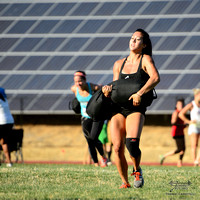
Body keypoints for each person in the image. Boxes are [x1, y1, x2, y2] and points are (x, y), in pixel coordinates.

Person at [102, 29, 160, 188]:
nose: (133, 41)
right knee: (117, 147)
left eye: (138, 39)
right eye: (132, 38)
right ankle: (125, 182)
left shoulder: (145, 59)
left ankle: (136, 169)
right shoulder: (118, 64)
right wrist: (107, 92)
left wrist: (139, 93)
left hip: (135, 108)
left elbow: (155, 78)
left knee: (132, 144)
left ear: (144, 44)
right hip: (118, 109)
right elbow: (115, 87)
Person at [71, 71, 107, 167]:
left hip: (96, 116)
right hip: (85, 117)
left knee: (94, 138)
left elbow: (103, 89)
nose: (78, 84)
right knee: (89, 141)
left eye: (80, 81)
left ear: (85, 80)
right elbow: (77, 101)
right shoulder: (74, 89)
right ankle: (96, 163)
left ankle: (103, 157)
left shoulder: (92, 87)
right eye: (76, 82)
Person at [160, 98, 186, 167]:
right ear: (176, 105)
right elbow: (173, 122)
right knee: (179, 149)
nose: (181, 106)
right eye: (180, 104)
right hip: (176, 132)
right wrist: (183, 125)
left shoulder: (182, 113)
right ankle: (164, 156)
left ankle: (179, 162)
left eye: (182, 104)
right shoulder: (176, 112)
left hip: (181, 132)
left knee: (183, 148)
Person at [179, 88, 200, 166]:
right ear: (196, 95)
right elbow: (181, 114)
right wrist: (189, 121)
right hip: (194, 127)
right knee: (194, 145)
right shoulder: (191, 104)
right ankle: (194, 161)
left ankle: (198, 160)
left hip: (199, 126)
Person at [0, 87, 14, 167]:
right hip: (9, 121)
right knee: (4, 142)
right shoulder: (5, 100)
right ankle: (9, 162)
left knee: (3, 141)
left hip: (1, 122)